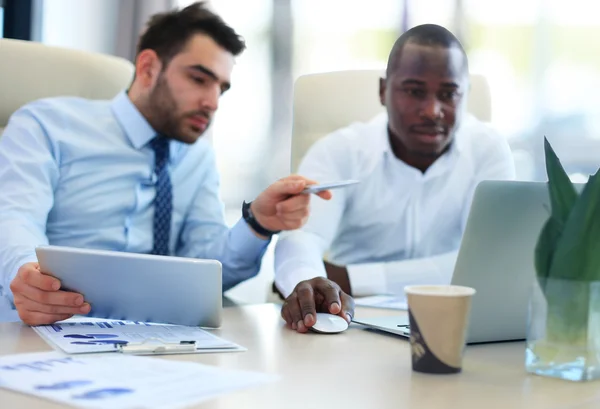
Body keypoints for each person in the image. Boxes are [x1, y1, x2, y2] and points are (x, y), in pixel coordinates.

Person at [0, 2, 332, 326]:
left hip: (153, 334)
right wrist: (28, 274)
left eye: (221, 89)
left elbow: (209, 270)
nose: (213, 102)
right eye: (199, 79)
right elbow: (14, 216)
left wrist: (258, 222)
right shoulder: (47, 125)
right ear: (148, 68)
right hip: (55, 323)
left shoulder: (197, 157)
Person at [277, 24, 515, 333]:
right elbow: (300, 237)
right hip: (348, 323)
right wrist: (308, 281)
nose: (432, 111)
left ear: (465, 94)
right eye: (415, 91)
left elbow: (488, 261)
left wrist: (347, 277)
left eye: (448, 94)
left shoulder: (488, 150)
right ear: (382, 90)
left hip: (452, 327)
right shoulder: (340, 151)